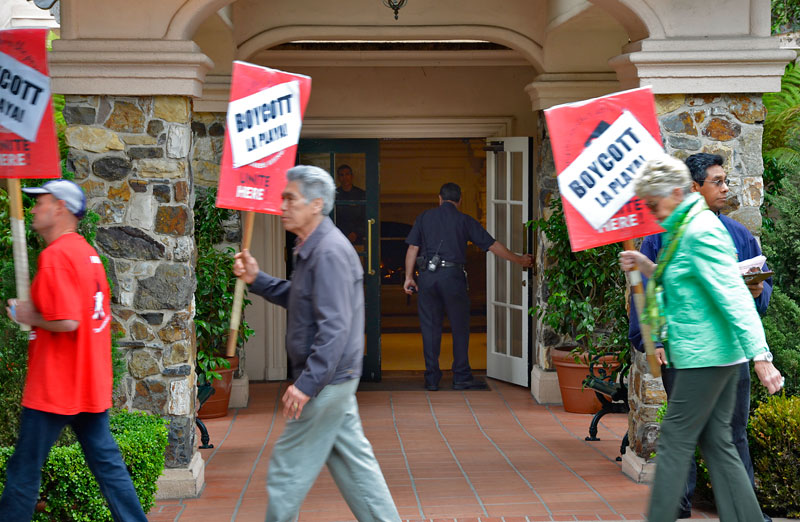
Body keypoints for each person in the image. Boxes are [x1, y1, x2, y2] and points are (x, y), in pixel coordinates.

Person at [619, 156, 783, 522]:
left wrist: (761, 356)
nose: (652, 212)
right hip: (711, 356)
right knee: (718, 445)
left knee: (675, 443)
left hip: (704, 358)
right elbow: (684, 280)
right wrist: (646, 266)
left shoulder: (700, 231)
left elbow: (735, 295)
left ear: (677, 193)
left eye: (654, 204)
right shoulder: (685, 227)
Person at [232, 165, 400, 522]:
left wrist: (306, 384)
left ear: (316, 204)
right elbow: (300, 296)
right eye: (283, 199)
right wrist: (256, 279)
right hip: (333, 380)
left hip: (327, 382)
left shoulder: (328, 252)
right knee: (356, 469)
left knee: (286, 472)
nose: (282, 206)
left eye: (290, 199)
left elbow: (335, 328)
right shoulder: (311, 246)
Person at [0, 180, 147, 521]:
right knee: (109, 469)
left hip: (55, 385)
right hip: (87, 381)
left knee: (23, 471)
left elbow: (66, 321)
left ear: (60, 208)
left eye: (42, 202)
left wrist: (27, 314)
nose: (34, 209)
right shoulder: (88, 254)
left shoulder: (56, 257)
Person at [402, 182, 533, 391]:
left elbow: (413, 248)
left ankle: (432, 379)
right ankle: (461, 376)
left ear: (439, 198)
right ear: (460, 201)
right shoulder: (464, 220)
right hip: (453, 277)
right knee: (459, 326)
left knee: (430, 328)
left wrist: (409, 277)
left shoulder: (424, 217)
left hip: (428, 276)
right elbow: (492, 245)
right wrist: (519, 260)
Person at [334, 164, 366, 245]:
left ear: (352, 176)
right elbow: (333, 218)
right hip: (339, 237)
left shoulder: (361, 194)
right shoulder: (334, 195)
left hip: (358, 238)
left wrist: (356, 233)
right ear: (338, 178)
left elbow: (365, 217)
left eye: (347, 174)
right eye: (342, 175)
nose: (345, 178)